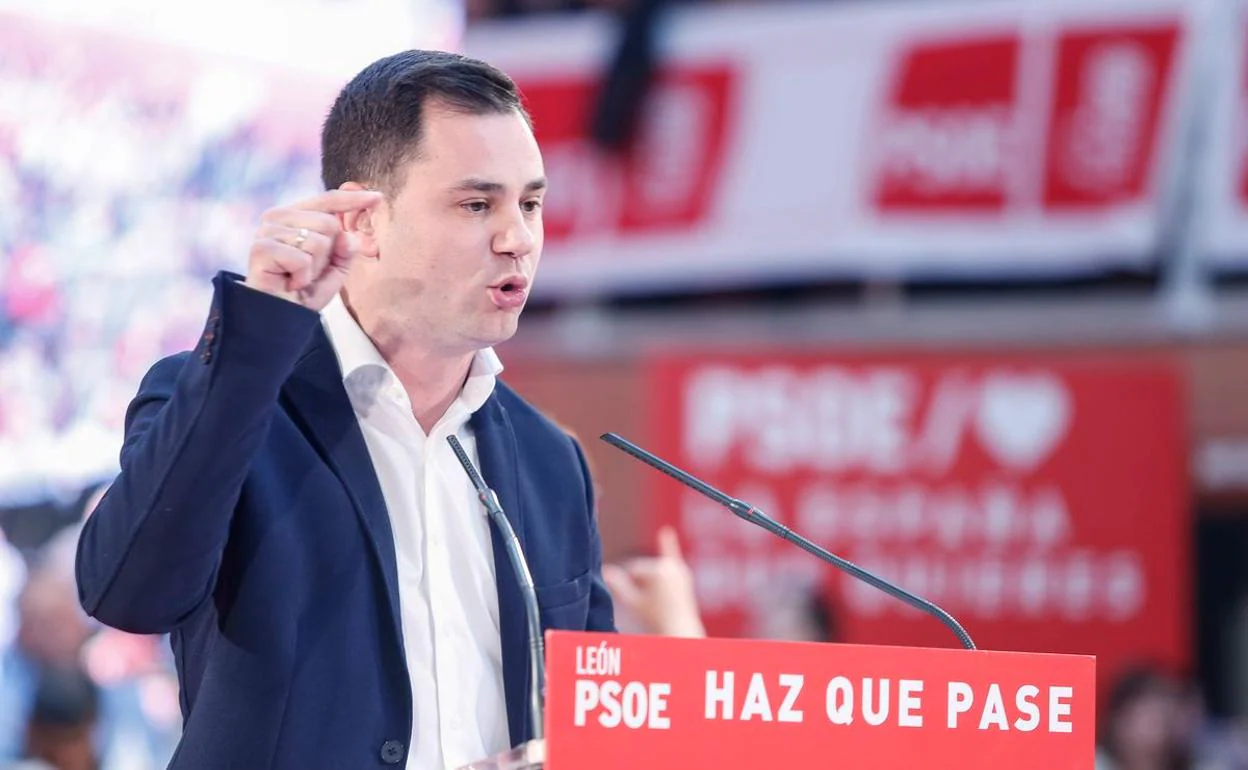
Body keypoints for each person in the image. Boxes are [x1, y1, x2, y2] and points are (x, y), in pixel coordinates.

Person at [75, 50, 615, 770]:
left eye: (531, 203)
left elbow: (595, 730)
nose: (517, 237)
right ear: (363, 221)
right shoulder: (228, 399)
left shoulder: (551, 462)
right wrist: (256, 340)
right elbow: (127, 593)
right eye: (477, 204)